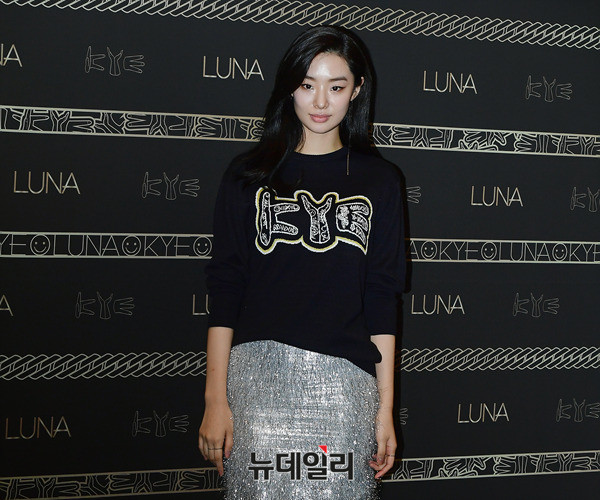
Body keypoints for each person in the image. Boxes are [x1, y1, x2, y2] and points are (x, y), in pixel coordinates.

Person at [198, 25, 406, 499]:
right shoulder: (247, 175)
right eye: (308, 84)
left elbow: (382, 297)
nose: (321, 101)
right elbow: (225, 286)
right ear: (289, 87)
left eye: (337, 86)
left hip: (345, 388)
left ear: (356, 91)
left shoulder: (380, 181)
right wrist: (215, 398)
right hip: (256, 384)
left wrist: (384, 409)